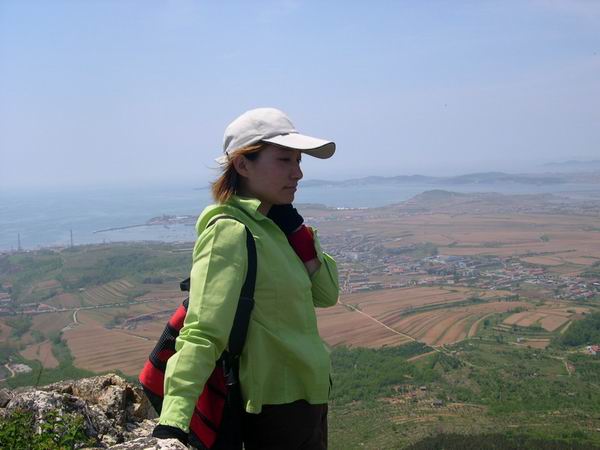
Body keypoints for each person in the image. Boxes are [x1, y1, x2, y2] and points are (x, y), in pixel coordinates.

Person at [152, 107, 339, 449]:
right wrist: (173, 422)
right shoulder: (229, 232)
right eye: (284, 160)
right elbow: (203, 330)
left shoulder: (278, 229)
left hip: (308, 399)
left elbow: (327, 294)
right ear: (242, 165)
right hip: (273, 410)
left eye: (299, 161)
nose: (297, 173)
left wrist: (298, 234)